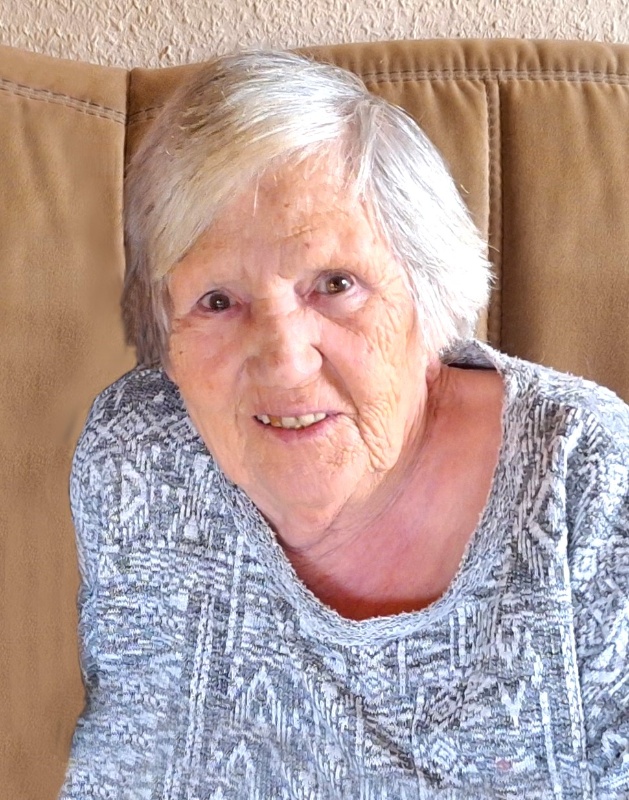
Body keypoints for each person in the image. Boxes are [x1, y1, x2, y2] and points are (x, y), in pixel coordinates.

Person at [59, 50, 628, 799]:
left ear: (428, 293)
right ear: (167, 330)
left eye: (335, 284)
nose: (286, 362)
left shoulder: (589, 482)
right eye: (218, 301)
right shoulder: (136, 459)